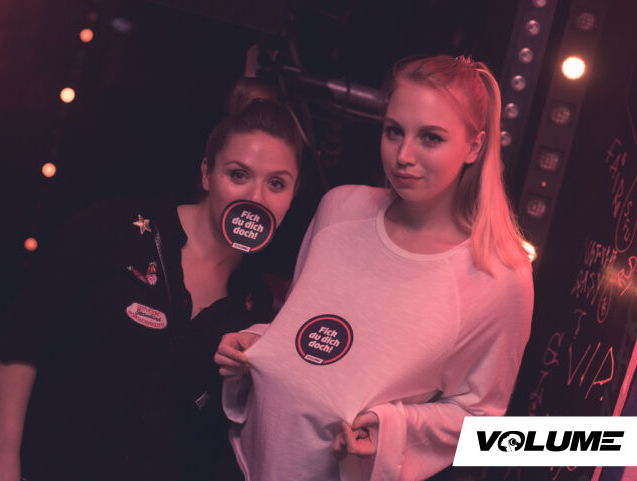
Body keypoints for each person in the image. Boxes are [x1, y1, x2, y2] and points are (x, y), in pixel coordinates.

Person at [214, 55, 535, 481]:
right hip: (238, 460)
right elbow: (299, 325)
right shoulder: (340, 207)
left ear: (474, 147)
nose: (404, 155)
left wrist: (391, 430)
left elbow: (479, 420)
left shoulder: (498, 277)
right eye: (394, 131)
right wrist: (255, 343)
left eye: (431, 138)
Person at [0, 99, 303, 481]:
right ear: (207, 173)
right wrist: (2, 451)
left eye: (276, 183)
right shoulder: (113, 228)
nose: (256, 198)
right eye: (238, 174)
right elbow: (25, 333)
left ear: (292, 195)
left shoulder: (256, 305)